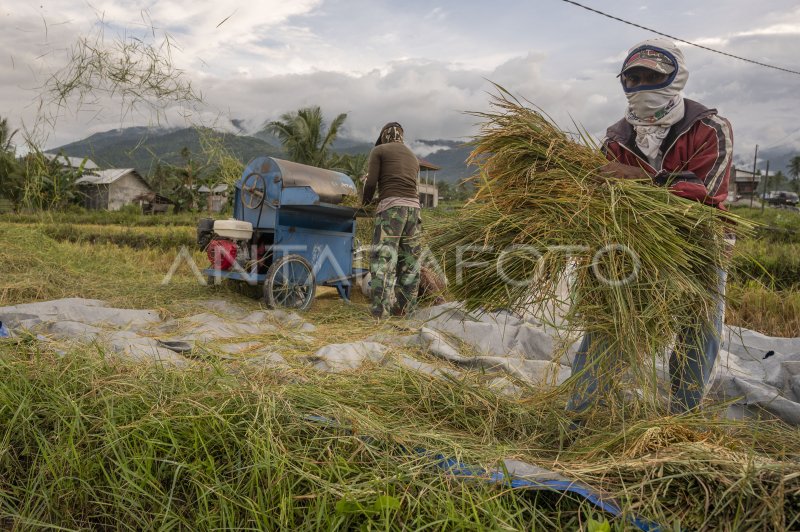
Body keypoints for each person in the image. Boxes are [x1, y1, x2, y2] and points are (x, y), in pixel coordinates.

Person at [568, 38, 734, 414]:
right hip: (634, 244)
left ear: (677, 77)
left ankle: (683, 412)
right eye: (633, 78)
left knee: (699, 325)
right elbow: (602, 193)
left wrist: (637, 178)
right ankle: (580, 412)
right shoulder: (616, 138)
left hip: (701, 244)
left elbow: (704, 191)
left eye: (651, 77)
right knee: (610, 320)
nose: (641, 86)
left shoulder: (709, 128)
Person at [362, 122, 422, 319]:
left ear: (384, 136)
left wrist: (364, 202)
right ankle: (406, 310)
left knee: (383, 260)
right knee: (409, 261)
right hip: (414, 210)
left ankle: (381, 312)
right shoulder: (413, 157)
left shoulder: (379, 150)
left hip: (392, 209)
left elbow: (371, 183)